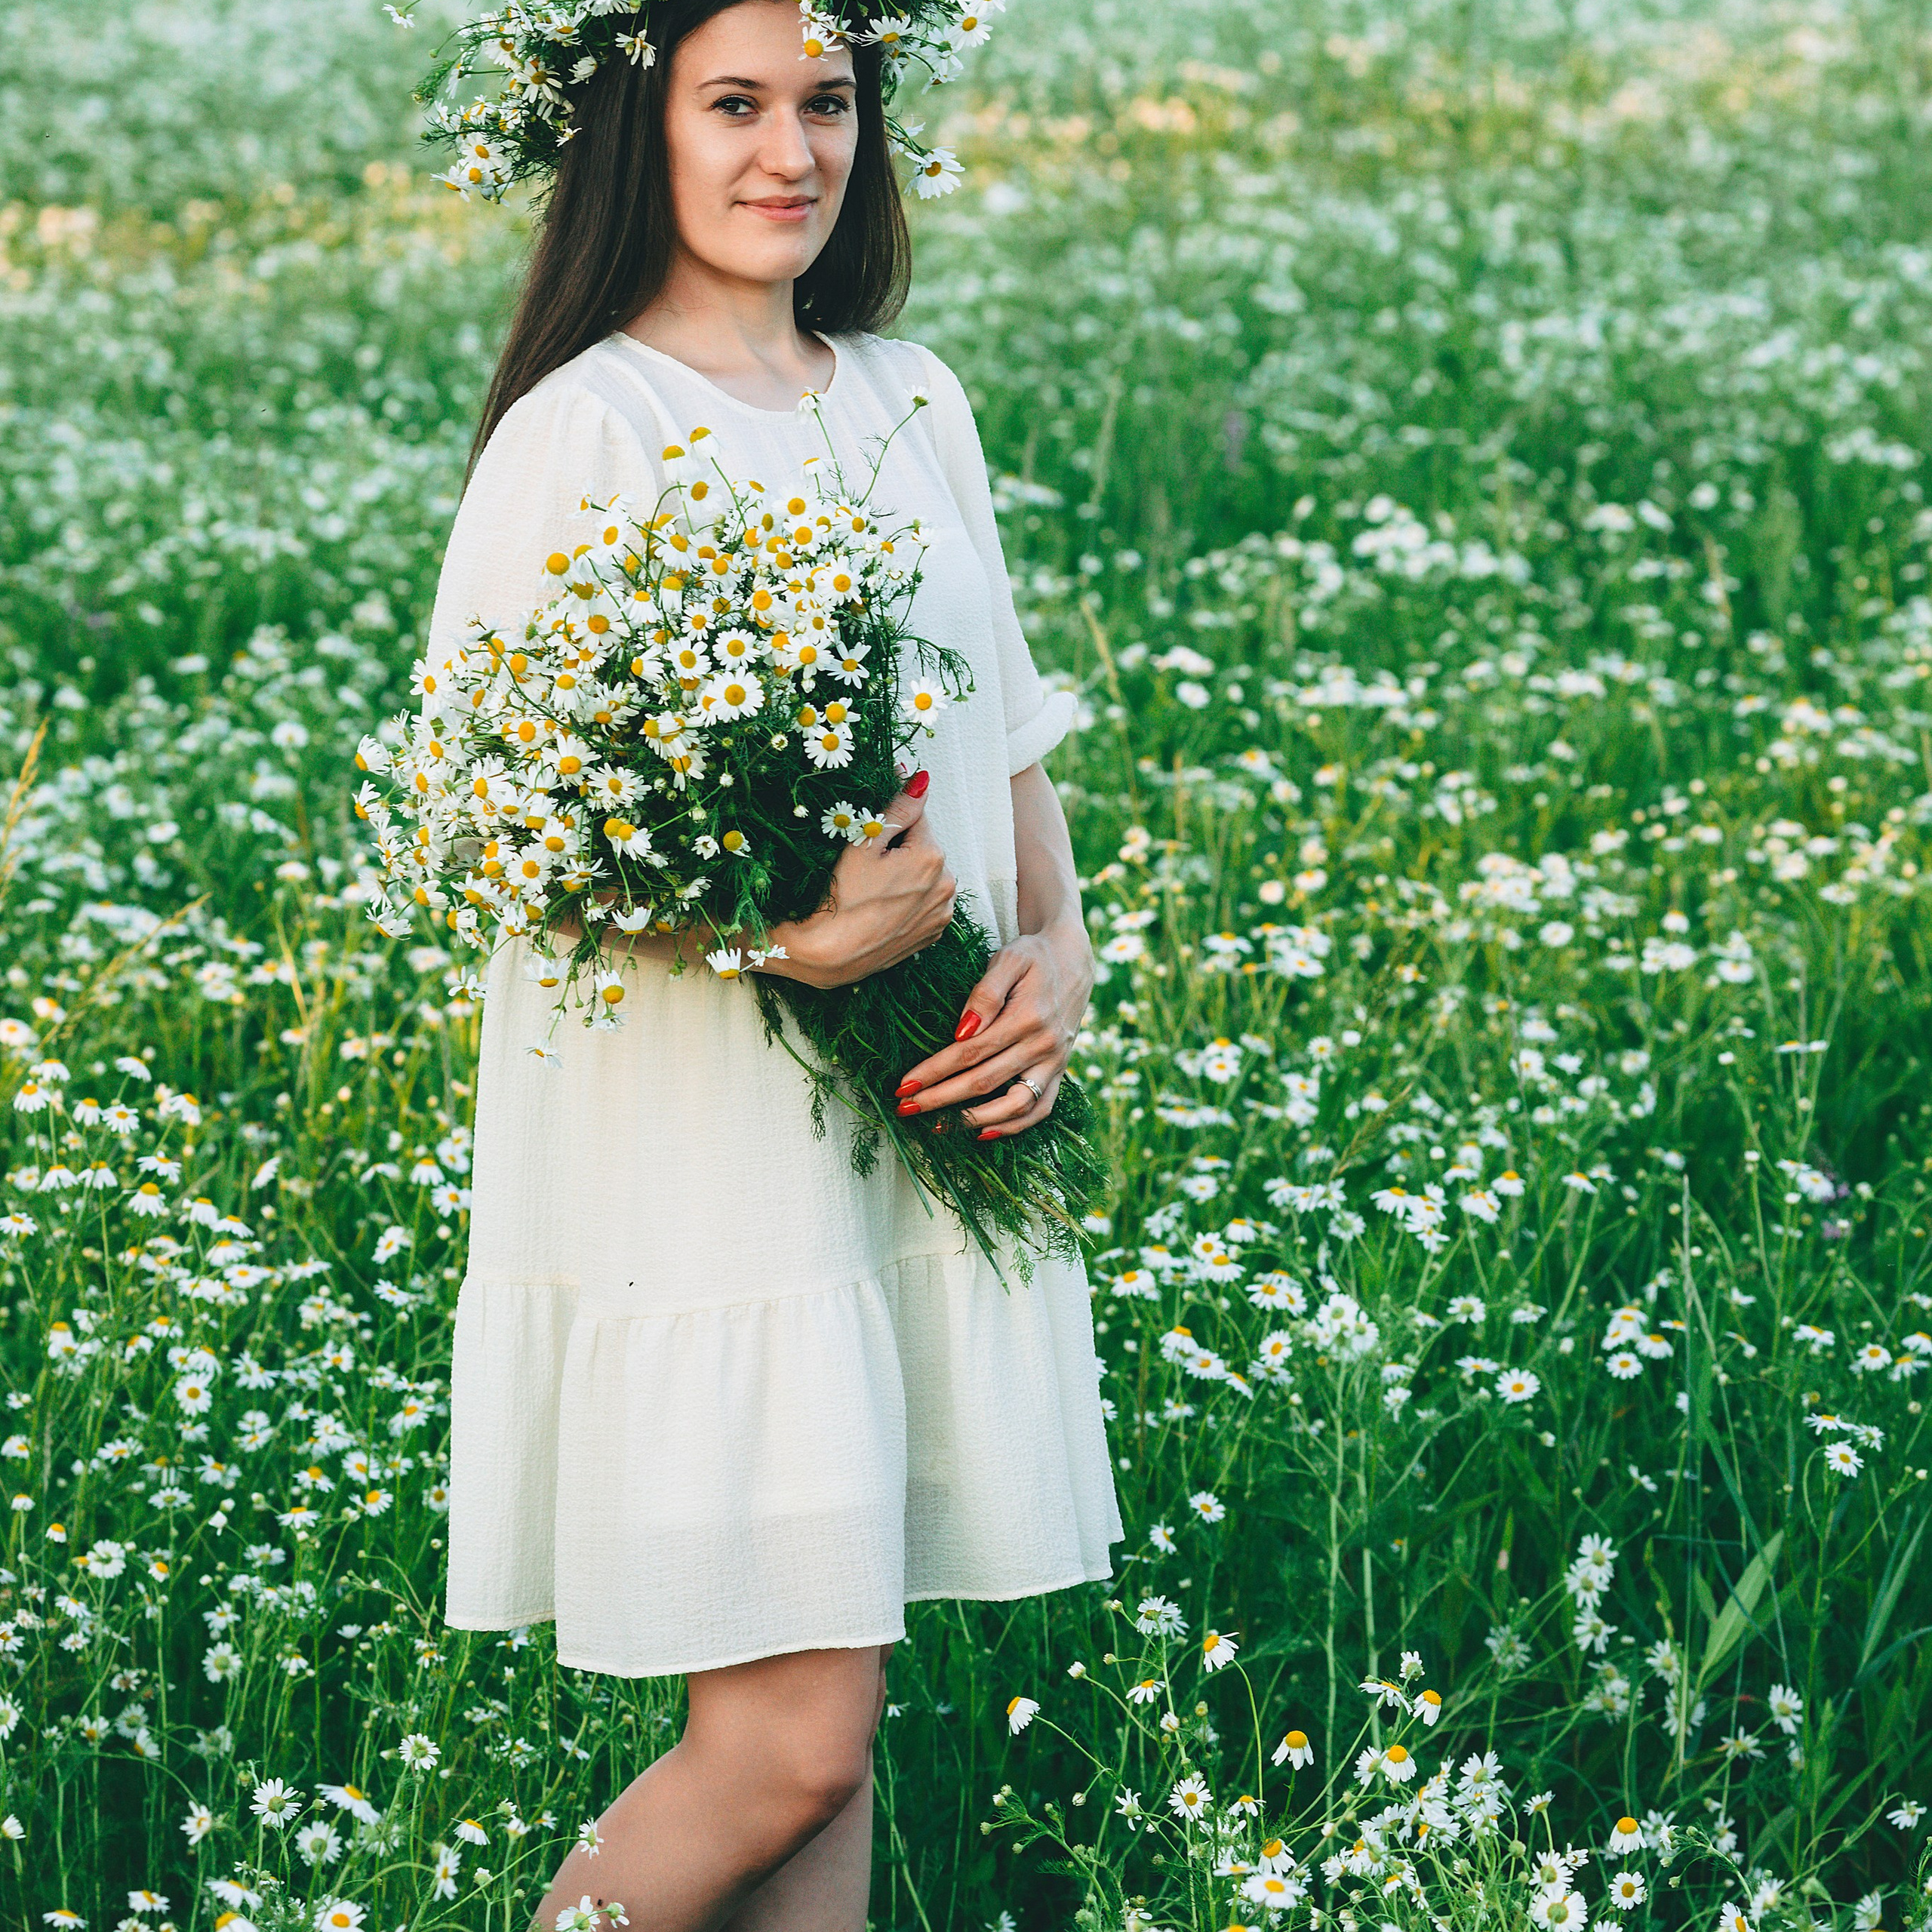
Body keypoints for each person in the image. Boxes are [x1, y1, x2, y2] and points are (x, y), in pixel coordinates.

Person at [423, 2, 1123, 1924]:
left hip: (913, 1110)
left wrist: (1057, 957)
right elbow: (497, 830)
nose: (788, 151)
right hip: (709, 1150)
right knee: (782, 1744)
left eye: (828, 102)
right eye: (734, 103)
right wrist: (787, 932)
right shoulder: (590, 429)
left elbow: (1006, 736)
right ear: (636, 125)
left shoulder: (908, 393)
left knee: (830, 1747)